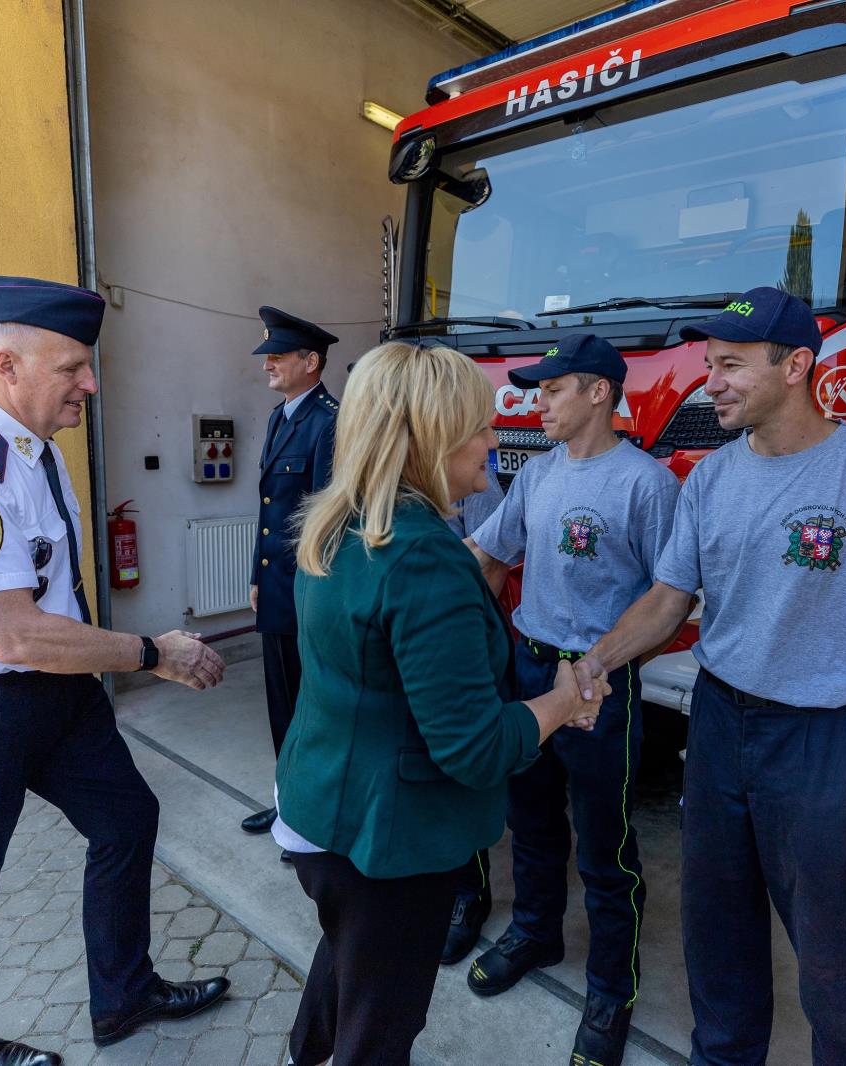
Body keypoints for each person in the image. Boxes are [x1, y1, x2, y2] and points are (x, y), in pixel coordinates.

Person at [573, 287, 846, 1066]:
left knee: (832, 947)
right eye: (709, 364)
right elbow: (665, 602)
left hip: (821, 741)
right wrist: (594, 664)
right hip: (719, 723)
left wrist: (838, 682)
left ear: (797, 365)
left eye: (729, 366)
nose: (710, 382)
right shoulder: (712, 481)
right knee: (716, 925)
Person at [0, 275, 231, 1066]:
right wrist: (153, 653)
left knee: (127, 819)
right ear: (7, 363)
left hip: (57, 694)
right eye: (72, 367)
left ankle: (124, 995)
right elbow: (13, 634)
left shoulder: (33, 454)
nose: (90, 384)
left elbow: (48, 608)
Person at [273, 341, 609, 1066]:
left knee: (345, 973)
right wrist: (562, 700)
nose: (494, 439)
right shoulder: (423, 556)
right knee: (381, 1031)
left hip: (328, 812)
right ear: (431, 436)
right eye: (480, 427)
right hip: (387, 844)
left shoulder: (340, 522)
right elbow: (476, 746)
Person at [462, 333, 678, 1066]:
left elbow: (669, 597)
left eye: (552, 389)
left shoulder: (646, 484)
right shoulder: (538, 475)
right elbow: (488, 557)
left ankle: (610, 989)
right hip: (529, 672)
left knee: (605, 846)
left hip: (599, 689)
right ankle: (535, 931)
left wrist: (599, 667)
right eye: (536, 388)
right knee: (529, 821)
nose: (535, 400)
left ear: (598, 393)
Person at [242, 306, 340, 858]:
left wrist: (317, 593)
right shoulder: (283, 417)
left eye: (277, 356)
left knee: (314, 706)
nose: (267, 366)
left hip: (309, 592)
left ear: (312, 361)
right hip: (277, 588)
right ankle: (289, 802)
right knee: (282, 704)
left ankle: (314, 814)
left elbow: (328, 516)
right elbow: (269, 509)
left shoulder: (329, 421)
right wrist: (257, 573)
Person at [439, 473, 507, 965]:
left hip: (455, 644)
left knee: (462, 777)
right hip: (404, 646)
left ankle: (469, 894)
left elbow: (490, 566)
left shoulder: (471, 479)